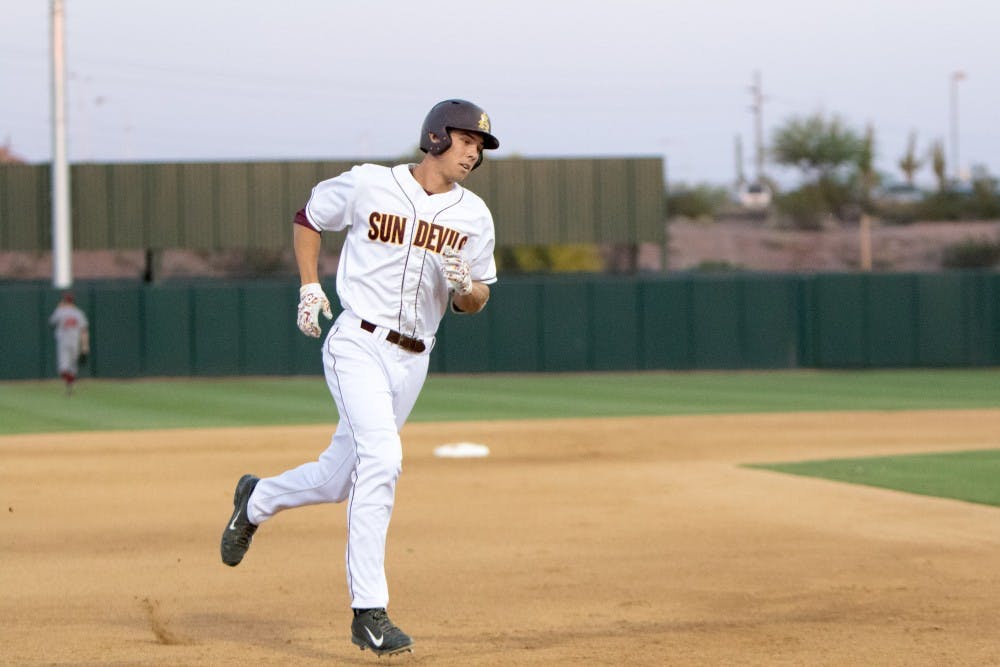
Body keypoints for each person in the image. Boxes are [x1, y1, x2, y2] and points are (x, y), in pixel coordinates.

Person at [220, 99, 499, 657]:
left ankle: (255, 500)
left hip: (415, 357)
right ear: (437, 136)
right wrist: (308, 284)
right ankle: (368, 612)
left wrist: (465, 287)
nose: (474, 153)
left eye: (480, 146)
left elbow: (478, 299)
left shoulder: (475, 216)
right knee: (384, 460)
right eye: (467, 140)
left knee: (339, 478)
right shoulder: (372, 184)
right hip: (357, 342)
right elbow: (310, 218)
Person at [48, 292, 89, 394]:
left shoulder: (60, 311)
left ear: (64, 301)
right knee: (72, 368)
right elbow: (84, 330)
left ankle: (69, 386)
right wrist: (85, 346)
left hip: (63, 342)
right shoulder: (79, 313)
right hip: (75, 342)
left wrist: (58, 308)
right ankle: (70, 386)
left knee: (63, 369)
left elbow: (51, 322)